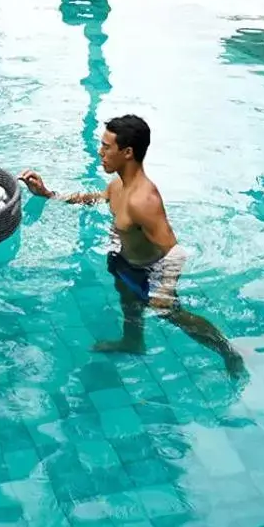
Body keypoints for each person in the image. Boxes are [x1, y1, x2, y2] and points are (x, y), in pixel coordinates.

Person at [20, 114, 244, 375]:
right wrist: (49, 194)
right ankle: (133, 341)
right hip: (125, 260)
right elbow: (93, 199)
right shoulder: (118, 185)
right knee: (127, 298)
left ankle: (225, 349)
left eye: (106, 147)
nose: (100, 152)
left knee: (174, 314)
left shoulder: (143, 200)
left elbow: (174, 249)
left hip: (149, 270)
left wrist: (165, 289)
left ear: (127, 152)